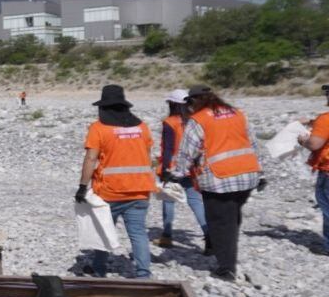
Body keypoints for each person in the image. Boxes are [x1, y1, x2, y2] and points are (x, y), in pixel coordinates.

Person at [170, 85, 264, 281]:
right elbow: (253, 143)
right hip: (247, 175)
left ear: (194, 101)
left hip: (219, 179)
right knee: (232, 219)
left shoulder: (199, 119)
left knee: (220, 223)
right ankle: (229, 255)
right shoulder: (237, 114)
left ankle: (226, 268)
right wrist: (260, 172)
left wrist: (177, 173)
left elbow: (188, 151)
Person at [76, 85, 156, 278]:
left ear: (103, 107)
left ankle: (99, 269)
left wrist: (82, 187)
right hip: (140, 189)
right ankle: (143, 274)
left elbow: (91, 158)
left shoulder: (99, 128)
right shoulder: (141, 127)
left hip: (110, 191)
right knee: (138, 233)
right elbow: (147, 156)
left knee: (103, 230)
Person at [157, 89, 208, 249]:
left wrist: (165, 170)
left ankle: (166, 236)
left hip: (173, 168)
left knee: (168, 200)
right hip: (191, 168)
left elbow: (168, 148)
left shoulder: (170, 122)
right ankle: (209, 236)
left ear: (172, 104)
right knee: (195, 202)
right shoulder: (195, 120)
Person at [298, 84, 329, 256]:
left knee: (327, 206)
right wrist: (311, 122)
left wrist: (303, 141)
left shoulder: (326, 119)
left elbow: (315, 144)